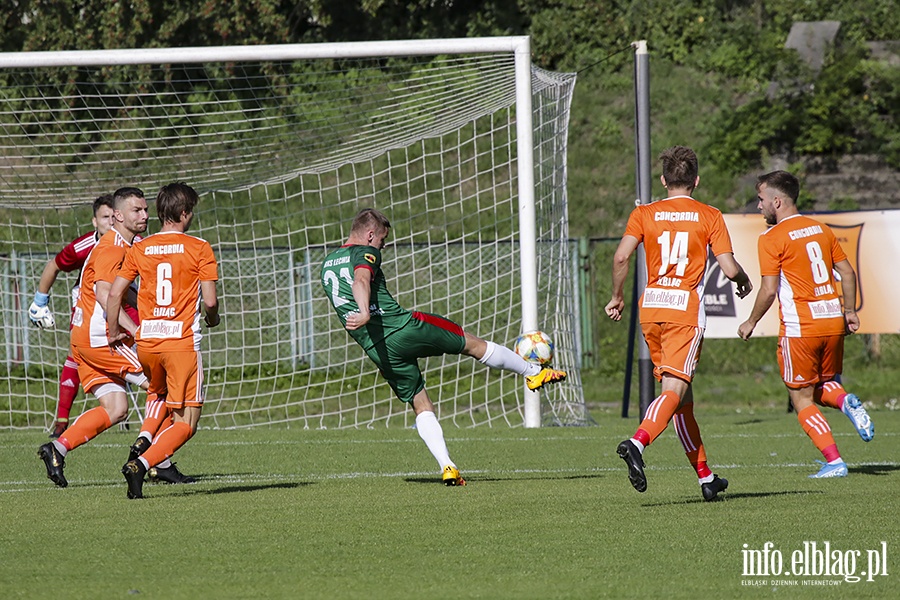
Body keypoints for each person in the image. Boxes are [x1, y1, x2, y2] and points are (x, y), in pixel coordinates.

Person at [320, 208, 567, 486]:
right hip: (404, 328)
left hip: (379, 350)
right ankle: (533, 371)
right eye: (382, 241)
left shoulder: (327, 263)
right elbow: (361, 279)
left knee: (420, 402)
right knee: (471, 344)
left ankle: (448, 466)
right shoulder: (365, 253)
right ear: (369, 235)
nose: (383, 247)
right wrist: (365, 311)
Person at [605, 146, 753, 500]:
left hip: (652, 309)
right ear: (696, 181)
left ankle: (706, 477)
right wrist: (743, 279)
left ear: (663, 180)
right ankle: (638, 444)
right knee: (673, 391)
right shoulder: (710, 215)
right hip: (684, 312)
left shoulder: (644, 213)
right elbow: (729, 267)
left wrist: (617, 296)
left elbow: (622, 255)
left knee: (682, 400)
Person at [738, 170, 874, 478]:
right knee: (825, 385)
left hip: (801, 328)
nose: (759, 207)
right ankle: (845, 401)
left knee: (801, 398)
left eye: (761, 200)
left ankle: (835, 461)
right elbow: (848, 273)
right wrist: (850, 312)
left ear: (777, 201)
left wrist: (751, 321)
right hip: (832, 321)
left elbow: (770, 290)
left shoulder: (772, 238)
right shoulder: (821, 229)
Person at [110, 182, 220, 499]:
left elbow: (116, 293)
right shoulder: (199, 247)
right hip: (180, 344)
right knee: (186, 424)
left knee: (158, 392)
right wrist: (212, 319)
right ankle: (142, 464)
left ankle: (145, 436)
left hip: (147, 344)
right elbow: (210, 303)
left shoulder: (140, 248)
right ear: (184, 213)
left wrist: (114, 330)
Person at [37, 187, 151, 488]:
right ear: (118, 216)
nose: (145, 215)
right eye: (137, 210)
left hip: (83, 339)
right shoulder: (113, 248)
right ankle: (152, 462)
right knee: (161, 384)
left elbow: (118, 290)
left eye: (145, 209)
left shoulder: (121, 244)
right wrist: (133, 330)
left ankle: (57, 448)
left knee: (116, 408)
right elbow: (104, 293)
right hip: (100, 339)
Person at [28, 195, 117, 438]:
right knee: (75, 354)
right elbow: (54, 265)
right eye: (105, 217)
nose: (110, 221)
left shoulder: (132, 242)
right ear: (94, 221)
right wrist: (40, 301)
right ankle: (61, 422)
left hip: (120, 304)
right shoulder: (83, 246)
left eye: (113, 216)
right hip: (88, 306)